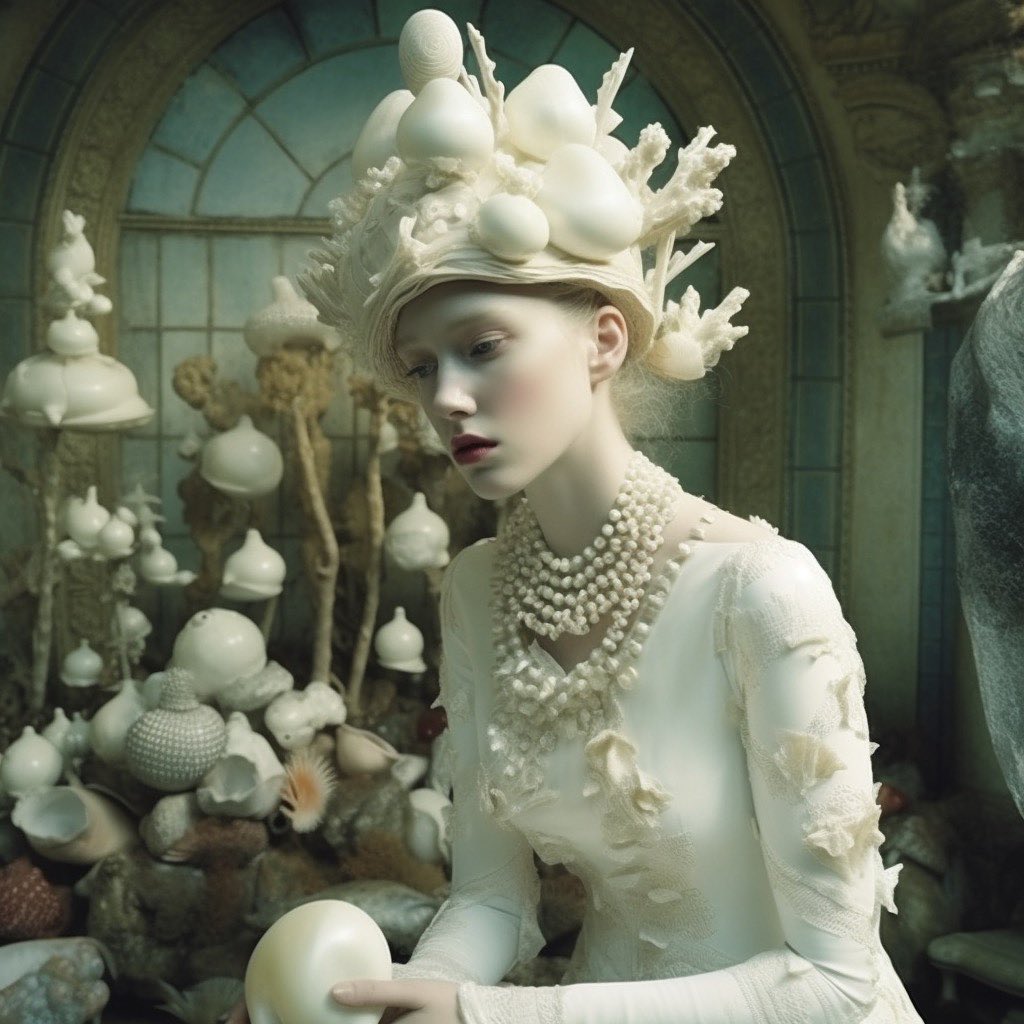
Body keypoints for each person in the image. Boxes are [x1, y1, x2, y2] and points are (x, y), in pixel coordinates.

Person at [235, 8, 925, 1023]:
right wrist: (389, 999)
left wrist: (490, 1017)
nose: (446, 398)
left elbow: (835, 981)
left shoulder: (760, 589)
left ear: (603, 340)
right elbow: (490, 901)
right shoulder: (476, 589)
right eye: (421, 367)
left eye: (482, 346)